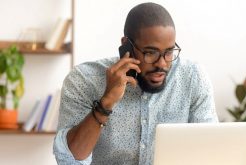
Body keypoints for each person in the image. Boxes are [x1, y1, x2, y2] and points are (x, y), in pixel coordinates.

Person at [53, 2, 218, 165]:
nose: (162, 64)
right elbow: (69, 159)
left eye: (168, 52)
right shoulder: (84, 79)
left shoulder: (192, 78)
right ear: (126, 45)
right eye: (150, 53)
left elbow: (211, 151)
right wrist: (106, 102)